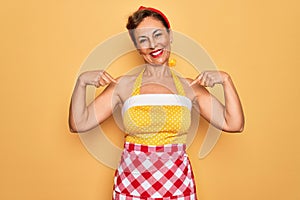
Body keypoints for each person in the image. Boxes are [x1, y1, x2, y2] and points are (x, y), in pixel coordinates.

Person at [69, 6, 244, 200]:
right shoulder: (123, 86)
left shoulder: (190, 87)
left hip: (177, 185)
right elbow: (79, 123)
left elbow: (234, 123)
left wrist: (226, 80)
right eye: (143, 39)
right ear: (138, 48)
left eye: (157, 35)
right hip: (131, 186)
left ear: (170, 37)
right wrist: (82, 83)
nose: (153, 44)